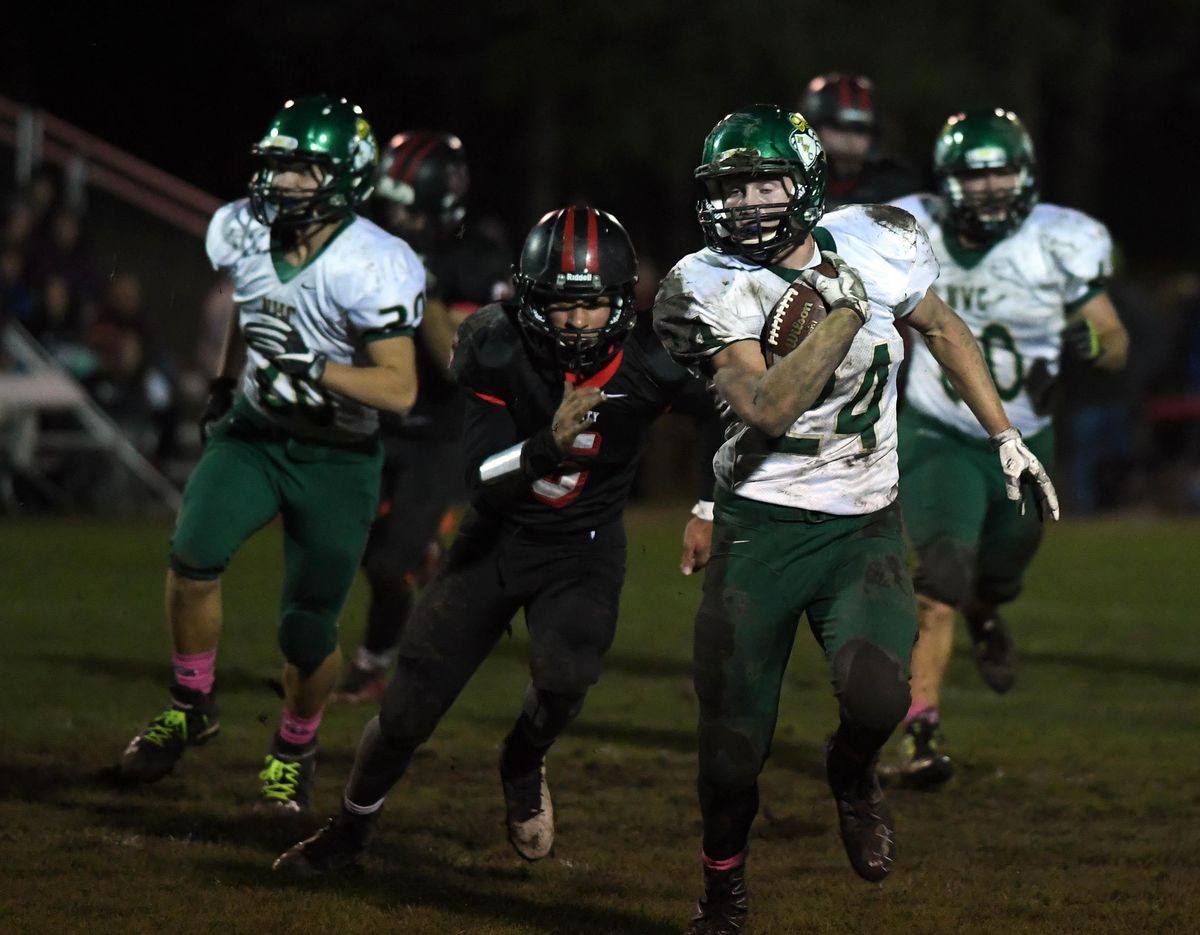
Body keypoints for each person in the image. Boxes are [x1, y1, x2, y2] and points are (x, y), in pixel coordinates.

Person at [651, 104, 1059, 934]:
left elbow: (942, 328)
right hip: (758, 531)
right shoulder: (701, 282)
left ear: (802, 184)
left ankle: (853, 774)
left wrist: (1006, 434)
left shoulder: (879, 240)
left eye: (765, 183)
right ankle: (723, 886)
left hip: (862, 526)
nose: (747, 204)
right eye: (731, 188)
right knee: (733, 744)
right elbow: (767, 406)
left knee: (878, 699)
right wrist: (839, 313)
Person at [272, 205, 718, 875]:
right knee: (406, 711)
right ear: (530, 299)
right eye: (561, 304)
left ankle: (523, 756)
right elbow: (481, 476)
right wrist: (547, 443)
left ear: (621, 301)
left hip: (584, 546)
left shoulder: (656, 353)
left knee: (567, 676)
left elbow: (724, 409)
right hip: (495, 540)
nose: (575, 321)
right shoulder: (494, 343)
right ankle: (349, 829)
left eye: (593, 304)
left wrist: (711, 503)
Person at [116, 94, 424, 812]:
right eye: (276, 169)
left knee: (307, 629)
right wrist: (226, 380)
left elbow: (401, 387)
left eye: (300, 172)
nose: (281, 186)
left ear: (345, 176)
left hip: (337, 456)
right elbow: (253, 313)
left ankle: (294, 745)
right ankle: (193, 703)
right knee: (193, 554)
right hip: (256, 432)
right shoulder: (241, 230)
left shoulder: (373, 262)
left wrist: (314, 367)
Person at [890, 109, 1128, 784]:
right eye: (975, 174)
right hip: (938, 430)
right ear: (947, 180)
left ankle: (987, 613)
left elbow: (1112, 337)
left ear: (1025, 175)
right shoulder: (912, 228)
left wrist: (1098, 344)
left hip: (1027, 443)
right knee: (938, 579)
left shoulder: (1060, 238)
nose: (990, 188)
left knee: (998, 572)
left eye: (1002, 172)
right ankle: (920, 726)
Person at [334, 130, 514, 703]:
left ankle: (372, 664)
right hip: (369, 422)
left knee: (391, 567)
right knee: (337, 545)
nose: (394, 217)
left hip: (439, 432)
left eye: (407, 206)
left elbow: (460, 361)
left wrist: (424, 290)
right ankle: (424, 553)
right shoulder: (366, 244)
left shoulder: (475, 260)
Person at [801, 73, 921, 208]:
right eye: (838, 127)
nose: (850, 138)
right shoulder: (796, 178)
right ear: (814, 128)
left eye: (860, 129)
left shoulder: (896, 183)